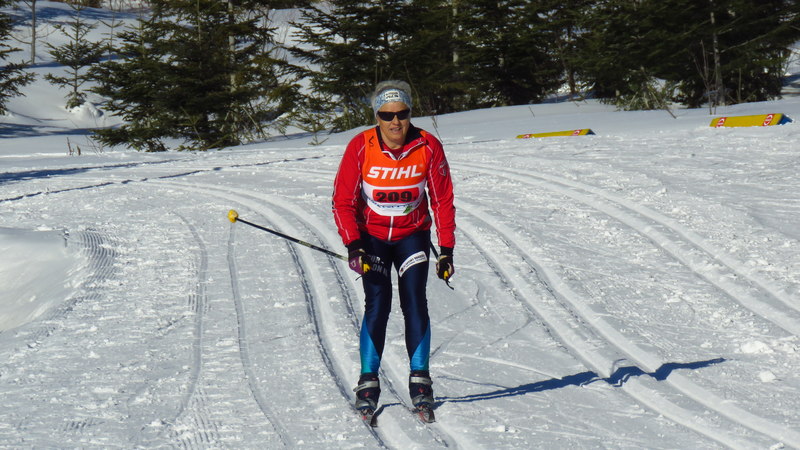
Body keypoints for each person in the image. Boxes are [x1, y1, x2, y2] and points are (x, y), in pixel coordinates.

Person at [332, 80, 456, 419]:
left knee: (414, 300)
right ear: (377, 117)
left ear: (409, 113)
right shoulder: (361, 146)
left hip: (412, 236)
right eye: (387, 115)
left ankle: (420, 382)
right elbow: (342, 201)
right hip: (372, 238)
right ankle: (368, 382)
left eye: (402, 113)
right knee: (378, 304)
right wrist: (354, 245)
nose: (395, 122)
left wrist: (446, 249)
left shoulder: (428, 145)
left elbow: (443, 200)